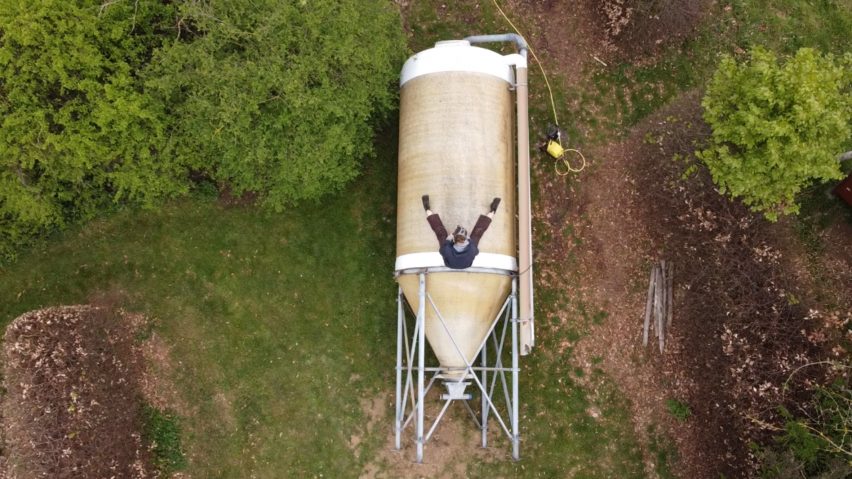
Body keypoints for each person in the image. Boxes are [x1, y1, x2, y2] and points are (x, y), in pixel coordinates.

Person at [422, 194, 501, 269]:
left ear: (453, 240)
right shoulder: (472, 248)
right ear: (467, 239)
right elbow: (475, 252)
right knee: (478, 232)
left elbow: (442, 250)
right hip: (465, 264)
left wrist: (452, 235)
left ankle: (427, 209)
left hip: (450, 263)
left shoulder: (447, 249)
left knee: (440, 233)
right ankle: (493, 211)